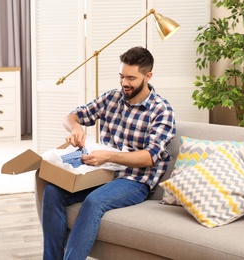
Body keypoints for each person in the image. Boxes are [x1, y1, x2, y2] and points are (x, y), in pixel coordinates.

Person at [41, 46, 176, 260]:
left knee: (94, 201)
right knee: (52, 192)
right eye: (121, 76)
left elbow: (149, 156)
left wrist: (108, 156)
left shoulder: (162, 111)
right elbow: (72, 117)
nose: (124, 83)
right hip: (102, 173)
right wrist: (76, 127)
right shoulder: (112, 99)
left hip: (135, 180)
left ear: (148, 76)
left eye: (131, 78)